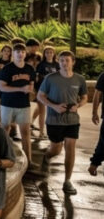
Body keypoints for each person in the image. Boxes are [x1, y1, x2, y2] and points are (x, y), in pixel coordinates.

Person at [37, 50, 87, 194]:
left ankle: (67, 181)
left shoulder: (80, 79)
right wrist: (54, 106)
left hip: (72, 120)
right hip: (54, 120)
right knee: (56, 150)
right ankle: (46, 157)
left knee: (70, 147)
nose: (64, 63)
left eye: (67, 60)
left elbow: (84, 97)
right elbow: (40, 96)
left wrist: (78, 105)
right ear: (58, 62)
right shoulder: (50, 78)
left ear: (73, 62)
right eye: (62, 61)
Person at [0, 44, 36, 166]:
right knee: (5, 130)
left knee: (25, 132)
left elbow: (31, 84)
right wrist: (20, 89)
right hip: (8, 104)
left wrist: (30, 90)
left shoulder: (29, 69)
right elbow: (2, 87)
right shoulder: (7, 69)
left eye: (22, 52)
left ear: (25, 54)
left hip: (24, 104)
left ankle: (28, 160)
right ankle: (1, 157)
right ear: (13, 54)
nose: (20, 54)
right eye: (17, 52)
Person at [33, 47, 57, 140]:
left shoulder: (57, 64)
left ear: (54, 54)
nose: (49, 54)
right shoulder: (41, 65)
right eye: (47, 52)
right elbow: (37, 78)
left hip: (54, 90)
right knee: (42, 111)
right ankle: (42, 132)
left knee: (52, 111)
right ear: (44, 54)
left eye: (51, 52)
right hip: (42, 90)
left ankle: (53, 131)